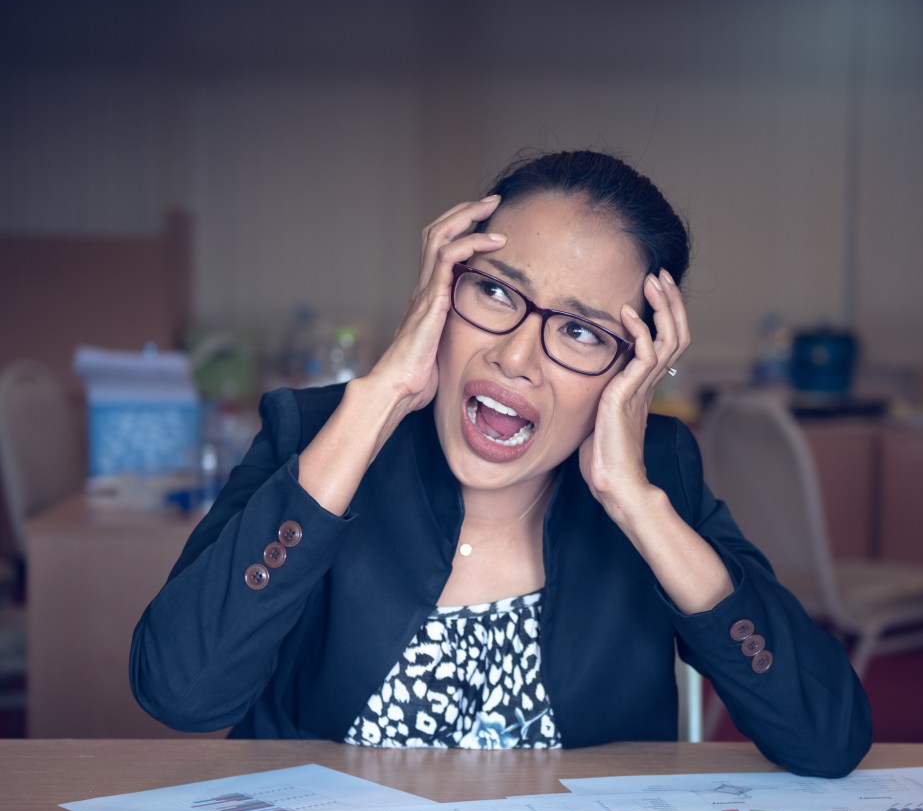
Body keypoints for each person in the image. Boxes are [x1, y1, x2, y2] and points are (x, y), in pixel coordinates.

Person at [130, 149, 871, 777]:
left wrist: (637, 506)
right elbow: (181, 693)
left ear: (635, 366)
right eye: (493, 291)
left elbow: (827, 737)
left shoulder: (657, 476)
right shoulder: (322, 438)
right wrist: (380, 398)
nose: (515, 357)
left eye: (581, 332)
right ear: (438, 297)